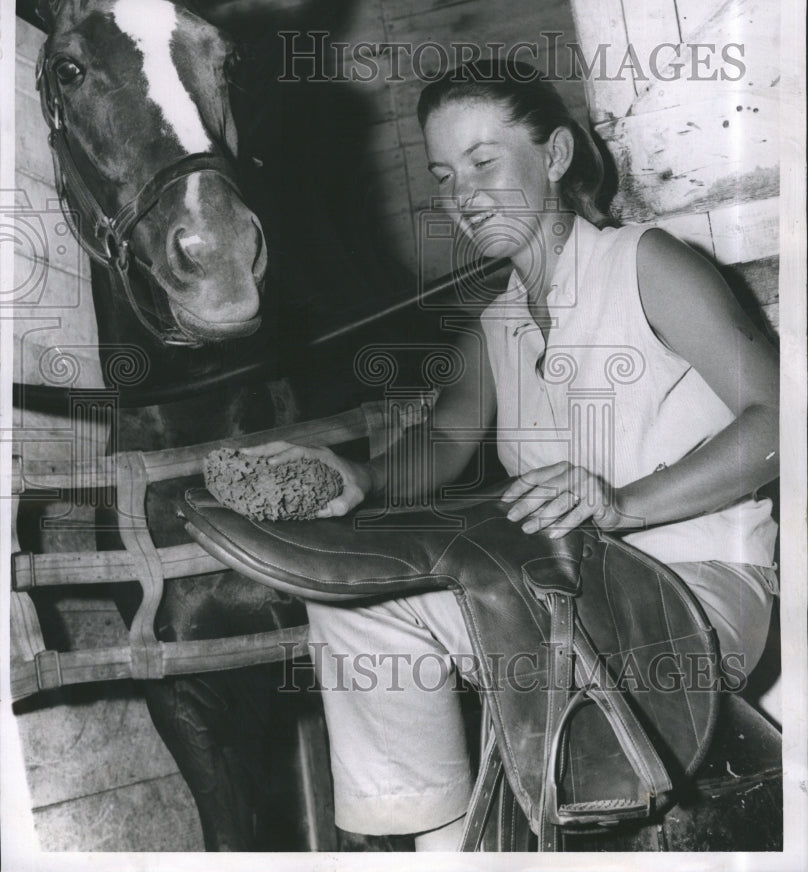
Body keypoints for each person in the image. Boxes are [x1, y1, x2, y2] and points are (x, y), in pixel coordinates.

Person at [249, 61, 780, 850]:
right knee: (351, 597)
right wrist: (356, 477)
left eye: (484, 161)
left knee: (519, 610)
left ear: (556, 155)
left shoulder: (646, 263)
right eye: (443, 174)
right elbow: (440, 440)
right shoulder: (493, 326)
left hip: (696, 588)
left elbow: (780, 419)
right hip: (560, 594)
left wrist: (620, 503)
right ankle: (437, 846)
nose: (461, 193)